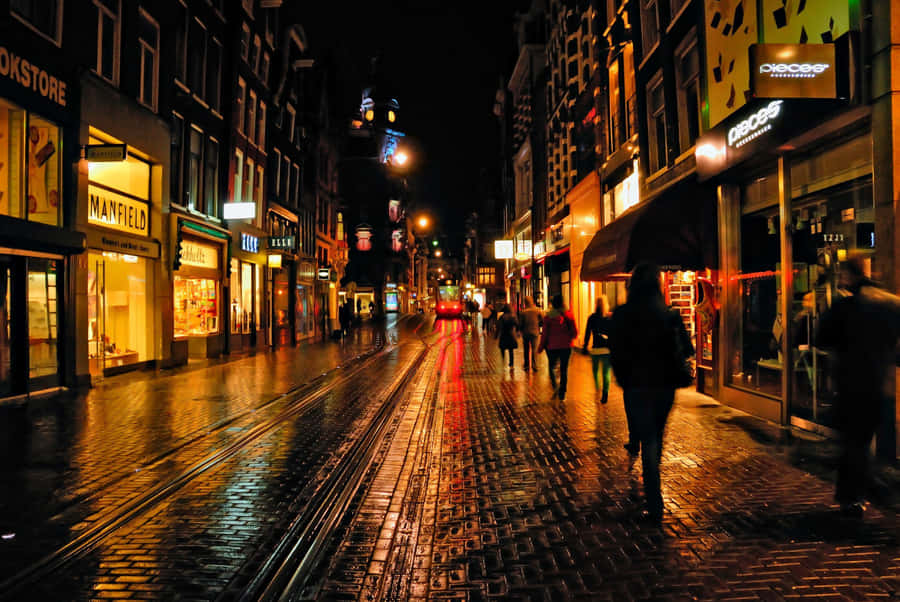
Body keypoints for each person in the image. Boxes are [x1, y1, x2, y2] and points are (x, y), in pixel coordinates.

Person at [816, 253, 900, 517]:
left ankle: (855, 496)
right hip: (881, 385)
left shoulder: (845, 307)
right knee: (874, 439)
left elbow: (821, 338)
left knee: (854, 442)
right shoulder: (891, 304)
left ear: (848, 275)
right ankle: (870, 488)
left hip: (851, 384)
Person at [609, 262, 694, 522]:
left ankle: (654, 501)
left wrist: (624, 376)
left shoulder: (622, 314)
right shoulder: (669, 314)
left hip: (636, 384)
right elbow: (687, 349)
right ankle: (654, 494)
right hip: (665, 384)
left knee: (647, 437)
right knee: (656, 435)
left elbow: (616, 352)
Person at [538, 294, 578, 400]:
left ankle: (555, 386)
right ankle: (562, 392)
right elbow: (575, 332)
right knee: (564, 370)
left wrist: (541, 347)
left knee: (551, 367)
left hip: (552, 347)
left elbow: (545, 334)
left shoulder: (548, 317)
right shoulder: (568, 315)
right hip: (566, 346)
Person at [583, 295, 613, 404]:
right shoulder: (609, 318)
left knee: (595, 371)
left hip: (596, 349)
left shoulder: (592, 318)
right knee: (606, 372)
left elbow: (587, 333)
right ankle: (605, 392)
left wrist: (585, 346)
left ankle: (598, 388)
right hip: (607, 349)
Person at [518, 296, 543, 372]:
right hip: (535, 332)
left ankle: (526, 366)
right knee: (534, 350)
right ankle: (534, 366)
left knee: (526, 349)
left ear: (525, 302)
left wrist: (520, 330)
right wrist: (539, 325)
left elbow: (520, 323)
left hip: (526, 333)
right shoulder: (538, 310)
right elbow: (542, 320)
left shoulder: (523, 312)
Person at [497, 304, 519, 369]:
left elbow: (498, 326)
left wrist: (496, 335)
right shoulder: (513, 316)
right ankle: (511, 364)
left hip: (503, 334)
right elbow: (517, 324)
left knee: (502, 349)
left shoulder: (502, 317)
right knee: (511, 350)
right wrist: (517, 331)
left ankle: (503, 362)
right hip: (511, 334)